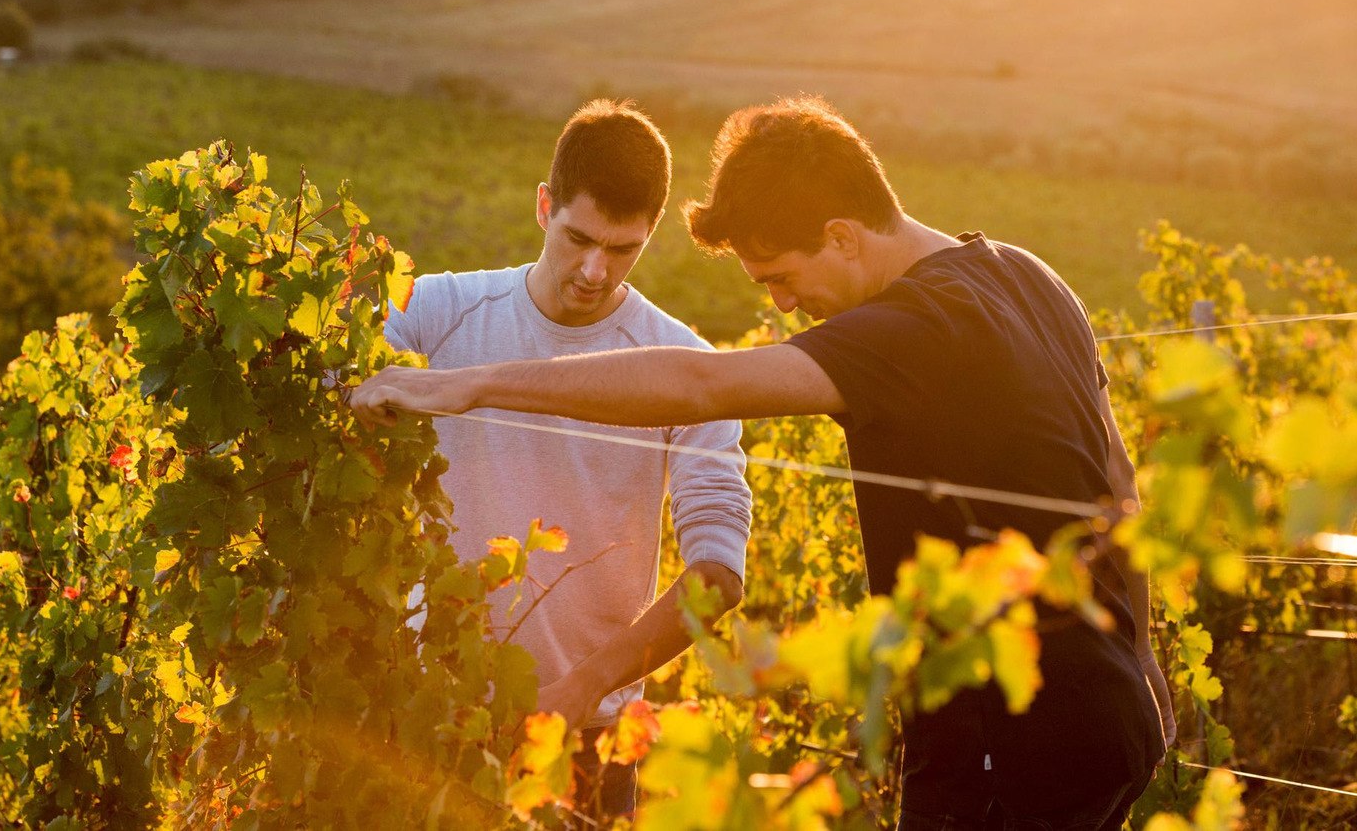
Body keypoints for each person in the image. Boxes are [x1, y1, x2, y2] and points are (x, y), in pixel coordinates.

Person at [353, 96, 1174, 830]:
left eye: (780, 277)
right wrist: (1139, 663)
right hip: (1107, 716)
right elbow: (1119, 487)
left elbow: (704, 381)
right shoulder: (1026, 274)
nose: (780, 305)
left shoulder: (914, 329)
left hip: (1005, 739)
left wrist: (477, 385)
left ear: (842, 237)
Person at [378, 99, 752, 819]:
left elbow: (718, 575)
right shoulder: (431, 311)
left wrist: (580, 692)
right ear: (544, 205)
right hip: (422, 717)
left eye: (622, 250)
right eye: (578, 238)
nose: (592, 271)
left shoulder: (686, 369)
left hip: (589, 742)